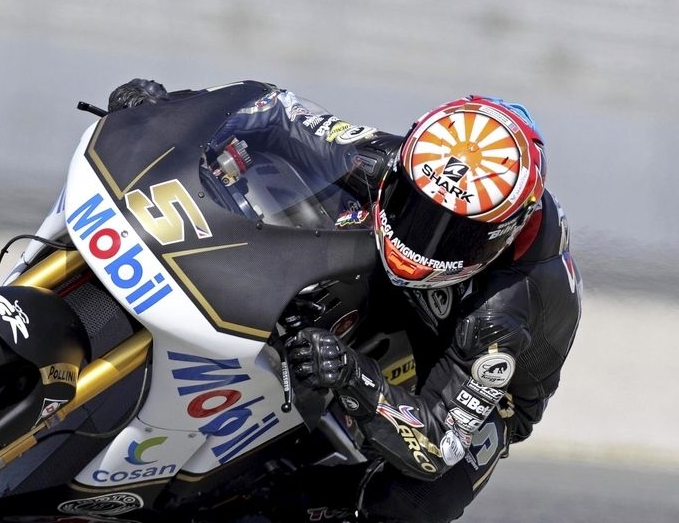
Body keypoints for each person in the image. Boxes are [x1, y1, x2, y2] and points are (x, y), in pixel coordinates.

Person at [107, 79, 582, 523]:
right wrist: (167, 112)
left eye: (455, 236)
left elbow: (441, 441)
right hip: (397, 297)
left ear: (503, 234)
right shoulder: (404, 163)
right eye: (414, 209)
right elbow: (272, 111)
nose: (425, 244)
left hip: (469, 374)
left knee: (417, 499)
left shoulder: (501, 314)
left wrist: (352, 375)